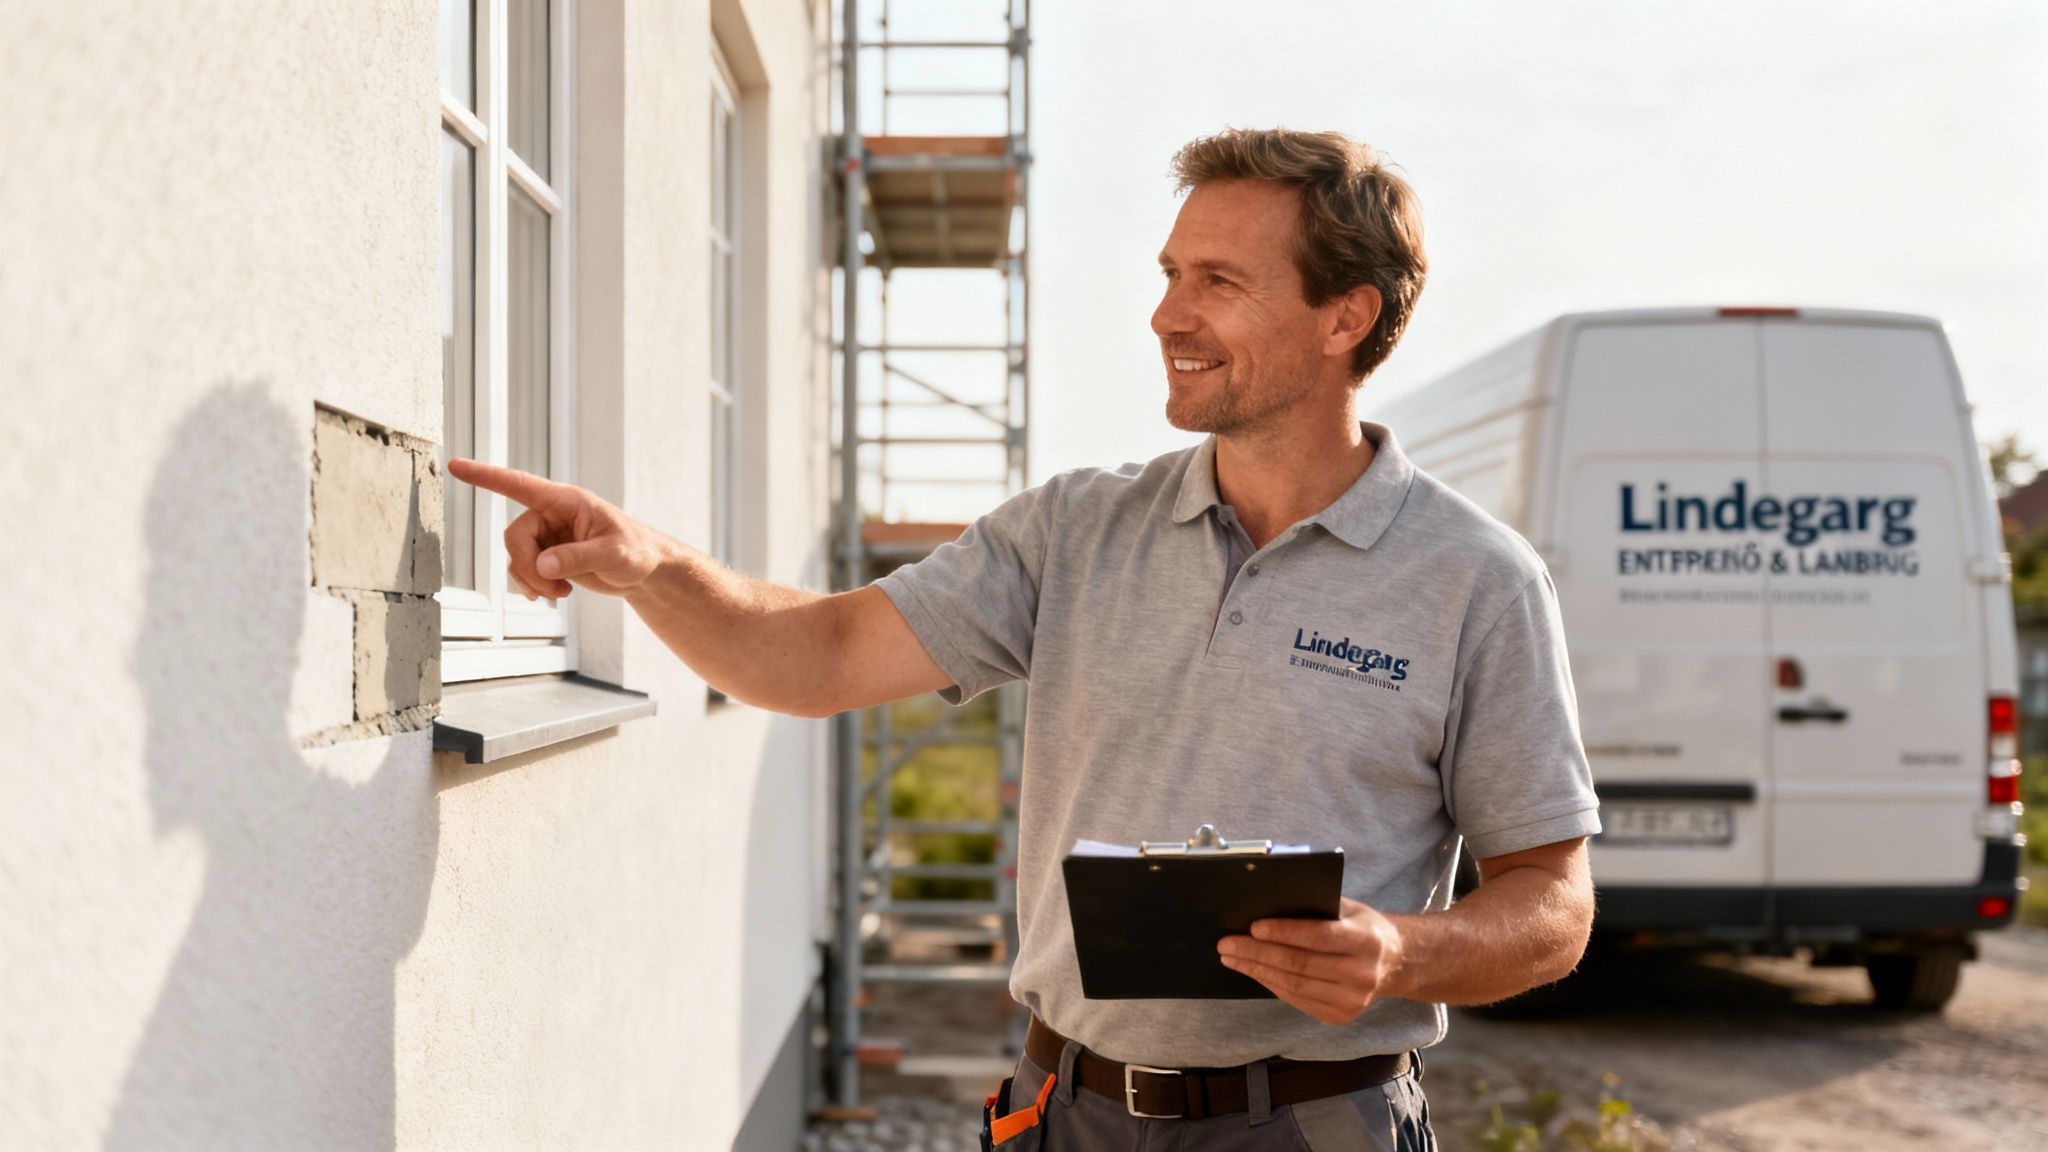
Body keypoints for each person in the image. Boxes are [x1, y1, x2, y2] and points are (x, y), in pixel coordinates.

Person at [452, 128, 1599, 1151]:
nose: (1166, 315)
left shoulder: (1475, 581)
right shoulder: (1073, 530)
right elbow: (820, 657)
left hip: (1315, 1123)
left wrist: (1398, 952)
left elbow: (1551, 903)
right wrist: (647, 563)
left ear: (1343, 316)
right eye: (1168, 274)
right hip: (1065, 1110)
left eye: (1217, 281)